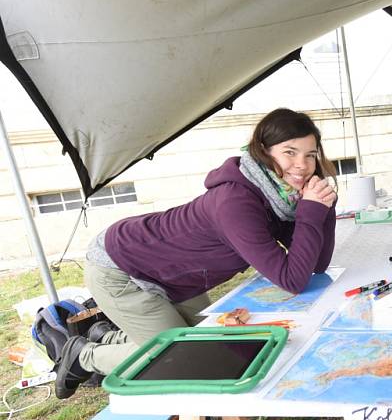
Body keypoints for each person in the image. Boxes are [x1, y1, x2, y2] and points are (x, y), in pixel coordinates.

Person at [54, 108, 338, 399]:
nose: (302, 165)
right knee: (184, 361)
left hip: (178, 275)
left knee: (213, 345)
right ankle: (84, 354)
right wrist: (312, 212)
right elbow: (292, 279)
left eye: (310, 155)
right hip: (122, 267)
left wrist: (324, 209)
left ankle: (110, 335)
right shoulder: (237, 202)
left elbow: (315, 265)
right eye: (290, 152)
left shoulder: (281, 198)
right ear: (264, 151)